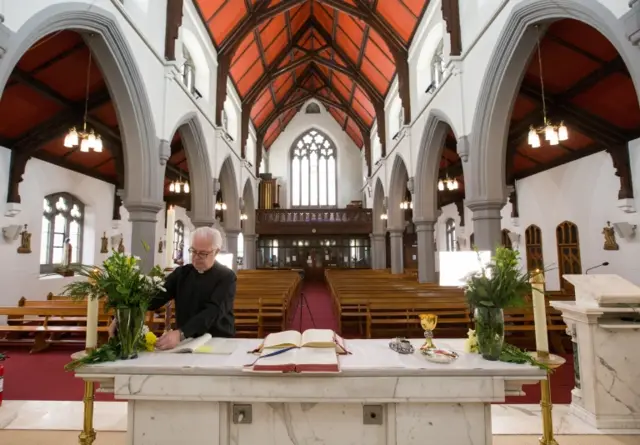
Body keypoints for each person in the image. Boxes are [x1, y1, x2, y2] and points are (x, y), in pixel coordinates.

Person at [109, 227, 236, 350]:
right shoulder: (181, 274)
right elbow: (154, 299)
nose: (196, 257)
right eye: (193, 251)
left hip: (217, 340)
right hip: (186, 342)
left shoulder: (227, 277)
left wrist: (181, 333)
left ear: (216, 252)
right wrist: (123, 313)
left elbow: (213, 311)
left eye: (203, 253)